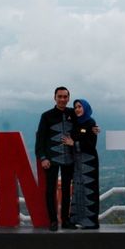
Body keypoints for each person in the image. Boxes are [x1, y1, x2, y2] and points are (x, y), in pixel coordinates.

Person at [35, 86, 77, 231]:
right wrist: (43, 158)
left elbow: (84, 123)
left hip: (69, 159)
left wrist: (93, 129)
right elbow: (40, 139)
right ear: (55, 98)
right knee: (50, 190)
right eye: (60, 96)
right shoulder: (46, 116)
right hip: (51, 159)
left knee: (67, 190)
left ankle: (65, 220)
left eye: (65, 97)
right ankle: (53, 221)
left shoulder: (73, 113)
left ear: (68, 98)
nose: (62, 99)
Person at [63, 99, 100, 229]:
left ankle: (91, 222)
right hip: (77, 163)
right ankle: (77, 219)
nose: (77, 109)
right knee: (78, 189)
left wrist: (74, 144)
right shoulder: (76, 123)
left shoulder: (91, 123)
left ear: (86, 108)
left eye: (80, 106)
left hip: (89, 162)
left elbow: (91, 145)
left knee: (89, 191)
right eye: (75, 107)